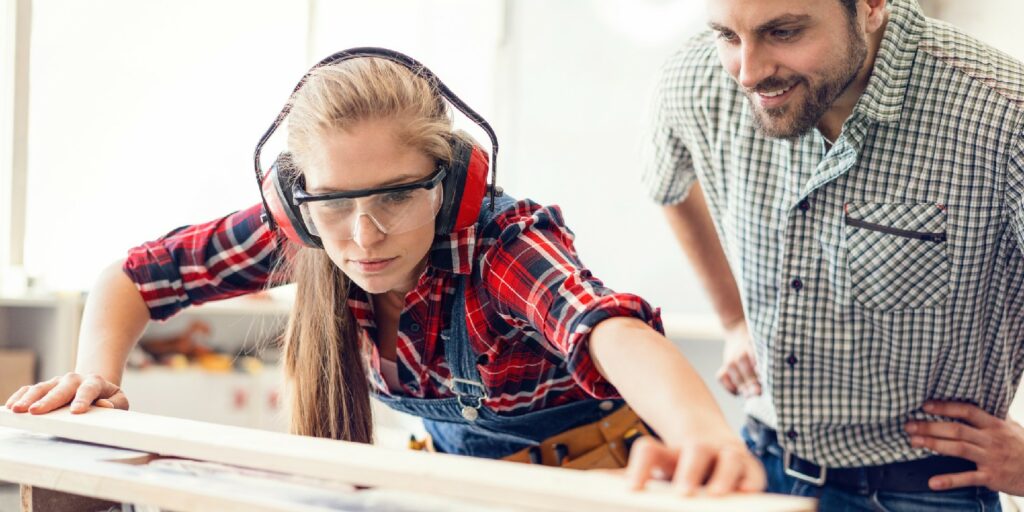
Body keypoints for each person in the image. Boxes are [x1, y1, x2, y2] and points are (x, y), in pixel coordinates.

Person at [4, 49, 765, 495]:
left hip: (589, 482)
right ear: (299, 205)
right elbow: (133, 278)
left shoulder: (499, 244)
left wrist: (707, 436)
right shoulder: (305, 230)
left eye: (399, 195)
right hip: (459, 488)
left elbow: (607, 329)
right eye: (334, 204)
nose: (363, 236)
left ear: (453, 183)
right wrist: (94, 378)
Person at [636, 0, 1024, 508]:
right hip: (760, 467)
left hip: (925, 492)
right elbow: (667, 186)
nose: (749, 73)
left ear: (870, 6)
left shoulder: (1002, 114)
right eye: (728, 35)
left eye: (784, 32)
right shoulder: (696, 79)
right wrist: (733, 319)